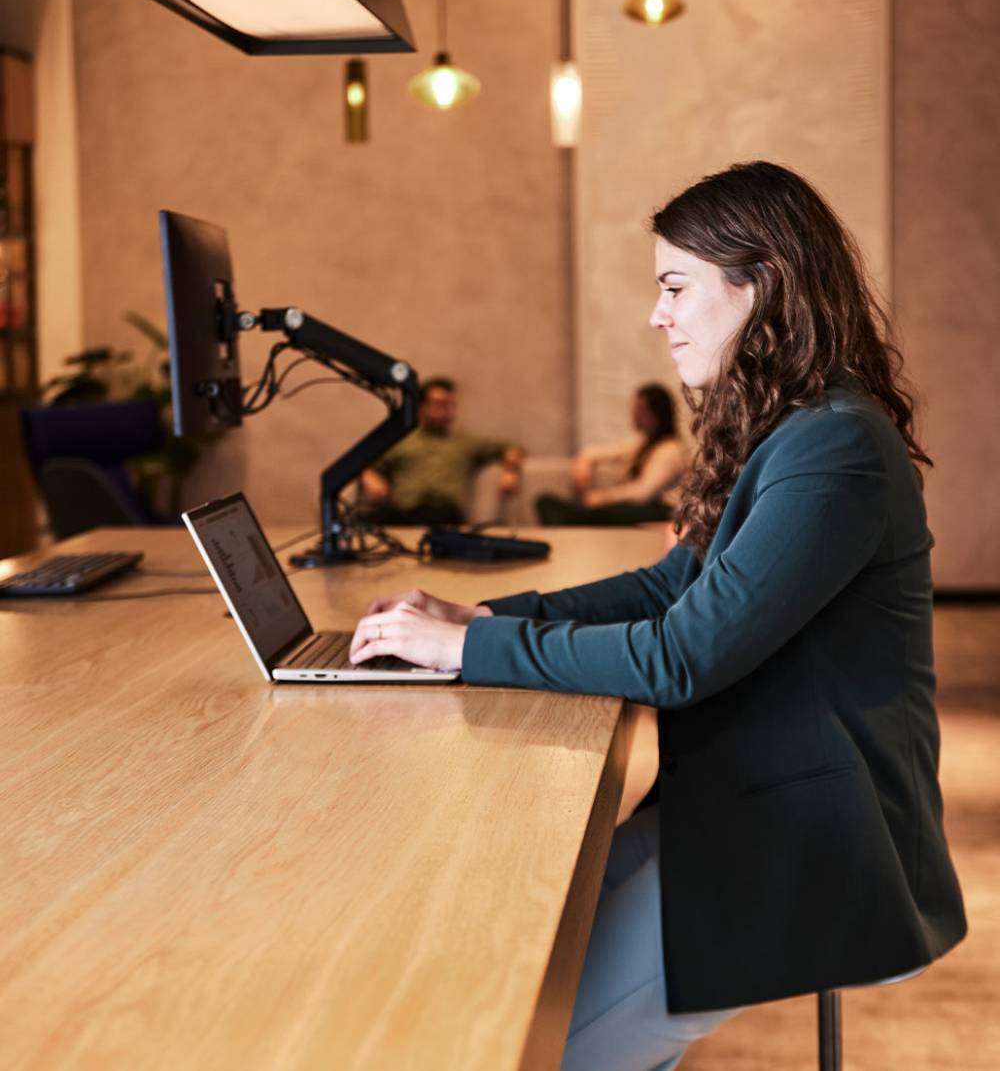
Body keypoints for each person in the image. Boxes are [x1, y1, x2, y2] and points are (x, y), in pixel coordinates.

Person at [348, 161, 967, 1070]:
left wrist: (468, 648)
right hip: (740, 798)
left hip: (804, 838)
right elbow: (669, 587)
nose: (658, 314)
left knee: (535, 1049)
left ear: (760, 283)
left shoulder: (836, 445)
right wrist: (479, 613)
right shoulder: (792, 429)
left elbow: (683, 656)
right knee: (527, 960)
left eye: (675, 287)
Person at [359, 376, 524, 526]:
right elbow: (368, 464)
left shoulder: (465, 442)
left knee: (436, 518)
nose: (446, 410)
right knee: (361, 521)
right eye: (439, 404)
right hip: (402, 511)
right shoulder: (401, 441)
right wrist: (370, 477)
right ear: (422, 406)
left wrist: (511, 470)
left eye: (450, 405)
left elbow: (511, 449)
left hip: (444, 513)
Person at [536, 383, 687, 526]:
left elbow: (642, 493)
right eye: (634, 408)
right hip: (637, 508)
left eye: (641, 409)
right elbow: (605, 452)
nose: (634, 414)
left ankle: (571, 518)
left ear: (657, 413)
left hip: (657, 512)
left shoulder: (670, 450)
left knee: (621, 510)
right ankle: (572, 517)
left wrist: (601, 498)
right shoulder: (644, 444)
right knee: (544, 501)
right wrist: (584, 460)